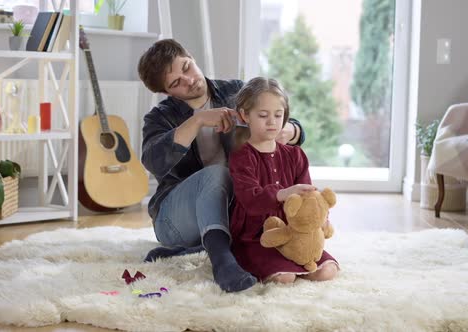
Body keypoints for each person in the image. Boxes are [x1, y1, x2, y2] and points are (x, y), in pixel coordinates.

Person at [137, 39, 305, 293]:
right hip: (175, 220)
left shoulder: (235, 92)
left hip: (232, 212)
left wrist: (289, 131)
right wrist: (197, 121)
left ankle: (202, 247)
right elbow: (153, 161)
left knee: (263, 195)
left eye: (187, 67)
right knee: (218, 175)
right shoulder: (160, 117)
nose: (189, 80)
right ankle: (222, 262)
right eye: (175, 83)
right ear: (166, 92)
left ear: (191, 56)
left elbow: (281, 117)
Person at [228, 77, 339, 284]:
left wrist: (321, 218)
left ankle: (296, 262)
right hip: (254, 237)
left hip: (296, 233)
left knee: (327, 271)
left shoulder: (295, 155)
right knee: (285, 277)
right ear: (245, 115)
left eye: (278, 115)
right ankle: (277, 266)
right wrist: (284, 193)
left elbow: (311, 198)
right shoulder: (241, 157)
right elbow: (250, 200)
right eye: (263, 115)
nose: (272, 122)